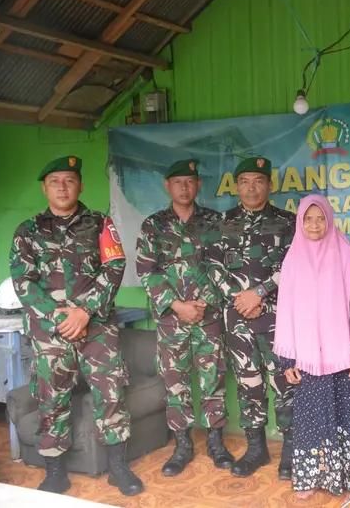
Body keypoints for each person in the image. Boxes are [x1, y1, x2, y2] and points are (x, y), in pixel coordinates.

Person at [9, 156, 143, 496]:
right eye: (55, 181)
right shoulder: (28, 231)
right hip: (50, 331)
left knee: (110, 393)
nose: (63, 187)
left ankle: (117, 467)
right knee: (52, 397)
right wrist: (61, 317)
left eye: (69, 180)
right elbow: (24, 282)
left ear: (80, 185)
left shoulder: (100, 224)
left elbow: (114, 267)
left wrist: (84, 312)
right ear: (45, 187)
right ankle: (55, 470)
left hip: (96, 327)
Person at [274, 194, 350, 498]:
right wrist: (288, 361)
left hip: (344, 355)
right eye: (308, 218)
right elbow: (285, 311)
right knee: (312, 421)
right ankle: (313, 476)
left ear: (330, 219)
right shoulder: (293, 258)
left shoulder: (345, 252)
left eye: (320, 217)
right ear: (300, 221)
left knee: (349, 416)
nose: (314, 224)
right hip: (308, 358)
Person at [136, 159, 233, 476]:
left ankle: (216, 443)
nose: (184, 187)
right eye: (178, 182)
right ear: (168, 185)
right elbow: (146, 272)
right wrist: (178, 306)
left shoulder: (215, 221)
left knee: (212, 382)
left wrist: (203, 302)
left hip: (208, 318)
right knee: (175, 385)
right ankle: (182, 446)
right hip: (171, 321)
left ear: (198, 185)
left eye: (190, 181)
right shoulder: (153, 225)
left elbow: (225, 266)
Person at [206, 156, 295, 478]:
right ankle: (256, 449)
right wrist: (239, 298)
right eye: (245, 181)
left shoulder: (289, 222)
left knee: (284, 382)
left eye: (258, 181)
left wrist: (259, 293)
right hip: (238, 319)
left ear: (269, 185)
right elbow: (212, 267)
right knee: (248, 383)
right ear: (237, 186)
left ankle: (290, 451)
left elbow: (295, 266)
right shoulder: (221, 222)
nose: (252, 187)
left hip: (277, 319)